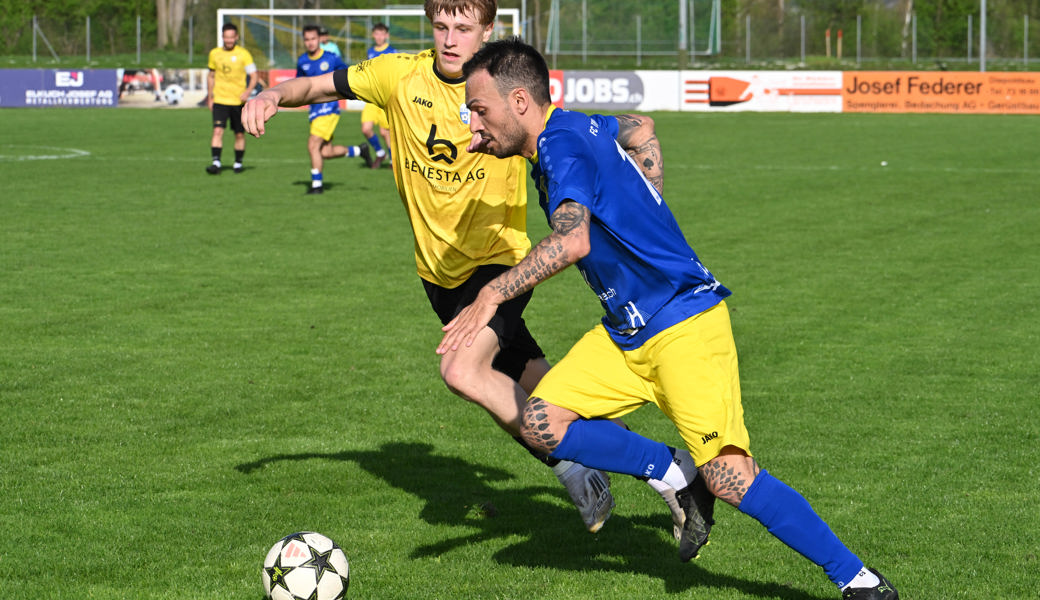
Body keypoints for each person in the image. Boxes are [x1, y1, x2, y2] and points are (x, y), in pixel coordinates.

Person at [438, 37, 900, 600]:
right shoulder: (579, 124)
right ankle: (674, 473)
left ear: (518, 102)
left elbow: (573, 239)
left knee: (730, 478)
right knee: (542, 423)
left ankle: (859, 580)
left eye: (479, 111)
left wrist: (489, 297)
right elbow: (642, 128)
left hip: (683, 324)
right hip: (625, 331)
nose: (473, 127)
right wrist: (650, 196)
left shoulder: (560, 147)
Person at [241, 0, 685, 537]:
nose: (451, 39)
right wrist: (270, 93)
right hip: (437, 274)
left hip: (499, 262)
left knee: (462, 370)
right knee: (539, 387)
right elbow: (315, 87)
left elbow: (571, 141)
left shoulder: (501, 91)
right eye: (442, 26)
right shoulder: (396, 75)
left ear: (489, 30)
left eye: (464, 28)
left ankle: (586, 469)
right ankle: (668, 470)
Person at [297, 24, 372, 195]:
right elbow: (298, 84)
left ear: (320, 40)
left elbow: (347, 76)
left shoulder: (331, 58)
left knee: (312, 144)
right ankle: (359, 150)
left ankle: (317, 185)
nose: (310, 43)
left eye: (313, 39)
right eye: (307, 39)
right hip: (314, 111)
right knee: (325, 152)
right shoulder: (302, 61)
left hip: (328, 108)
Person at [206, 23, 258, 175]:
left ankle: (238, 163)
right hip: (220, 100)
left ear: (236, 37)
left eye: (231, 37)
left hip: (238, 102)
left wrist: (248, 91)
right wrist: (210, 97)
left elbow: (254, 76)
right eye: (226, 37)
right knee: (217, 131)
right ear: (222, 37)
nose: (229, 40)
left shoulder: (244, 54)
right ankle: (216, 163)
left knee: (239, 134)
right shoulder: (214, 54)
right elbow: (211, 76)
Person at [359, 23, 398, 169]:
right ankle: (380, 153)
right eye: (376, 33)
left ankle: (393, 160)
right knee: (366, 129)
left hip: (386, 97)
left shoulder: (392, 52)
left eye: (382, 34)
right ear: (373, 35)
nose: (379, 37)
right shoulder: (370, 52)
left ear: (386, 35)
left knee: (384, 131)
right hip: (371, 97)